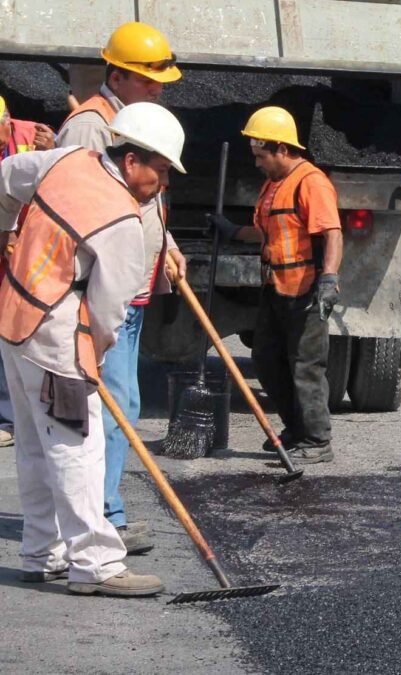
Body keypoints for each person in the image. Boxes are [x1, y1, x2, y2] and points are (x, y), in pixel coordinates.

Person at [0, 102, 186, 596]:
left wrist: (4, 235)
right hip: (58, 333)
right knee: (78, 447)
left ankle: (43, 552)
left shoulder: (65, 160)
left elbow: (6, 176)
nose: (162, 183)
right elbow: (109, 311)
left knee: (36, 443)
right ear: (131, 161)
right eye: (161, 169)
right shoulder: (121, 219)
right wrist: (94, 358)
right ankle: (96, 564)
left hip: (13, 317)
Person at [57, 21, 186, 555]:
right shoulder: (90, 127)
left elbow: (146, 196)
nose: (159, 86)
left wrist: (168, 245)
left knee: (121, 405)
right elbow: (78, 202)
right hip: (101, 291)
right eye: (147, 77)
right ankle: (102, 517)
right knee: (107, 408)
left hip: (133, 284)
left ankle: (104, 511)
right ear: (116, 74)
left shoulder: (134, 122)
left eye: (160, 78)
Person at [207, 106, 343, 465]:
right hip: (276, 285)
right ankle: (296, 430)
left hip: (307, 289)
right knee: (266, 359)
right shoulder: (274, 184)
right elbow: (273, 230)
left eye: (261, 156)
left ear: (282, 149)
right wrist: (232, 230)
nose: (257, 164)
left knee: (305, 365)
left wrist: (329, 279)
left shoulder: (310, 182)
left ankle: (316, 441)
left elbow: (331, 232)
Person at [0, 95, 56, 449]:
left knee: (10, 329)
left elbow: (64, 177)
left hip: (23, 248)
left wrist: (54, 148)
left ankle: (9, 416)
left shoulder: (32, 136)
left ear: (7, 119)